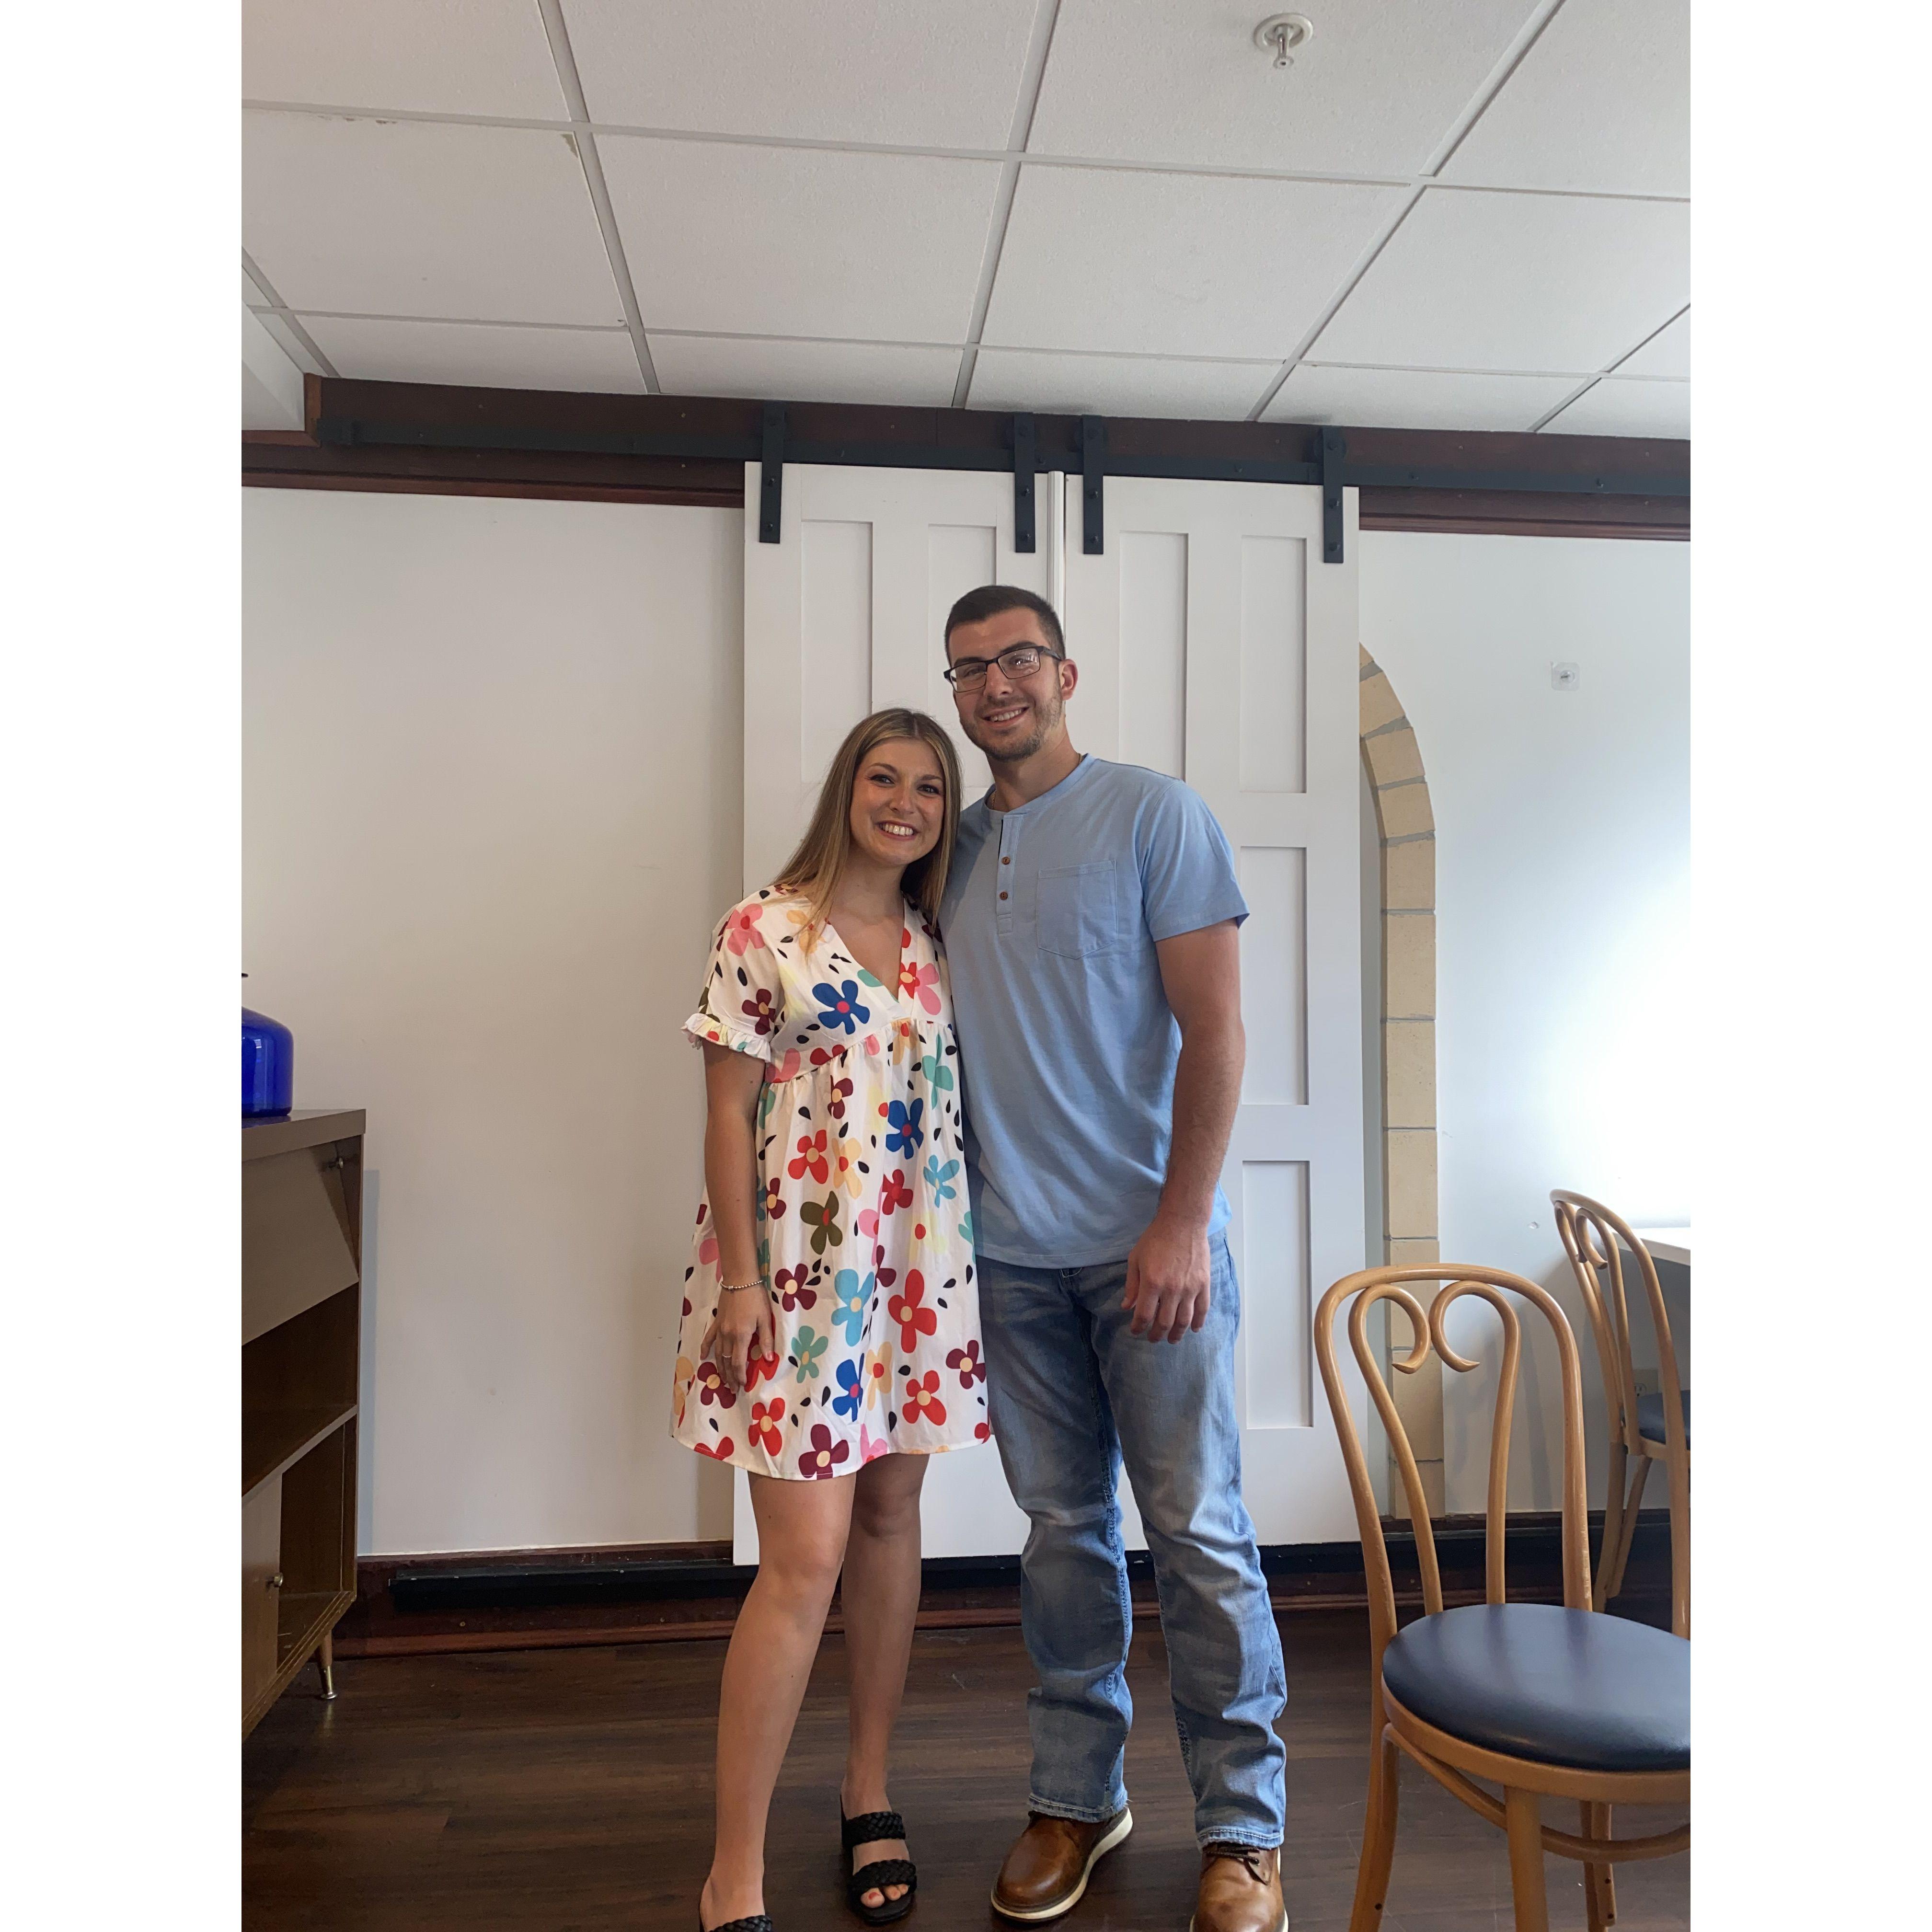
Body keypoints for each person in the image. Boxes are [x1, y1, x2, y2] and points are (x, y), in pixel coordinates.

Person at [937, 587, 1289, 1932]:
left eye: (1018, 658)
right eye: (970, 669)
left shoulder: (1155, 815)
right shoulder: (950, 848)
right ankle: (1077, 1801)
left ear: (1065, 672)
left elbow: (1218, 1029)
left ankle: (1244, 1833)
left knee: (1199, 1535)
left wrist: (1183, 1221)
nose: (996, 685)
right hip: (1011, 1263)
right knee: (1063, 1537)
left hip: (1154, 1258)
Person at [671, 708, 987, 1932]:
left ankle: (869, 1789)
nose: (905, 803)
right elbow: (725, 1116)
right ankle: (734, 1871)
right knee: (803, 1562)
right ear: (847, 791)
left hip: (915, 1276)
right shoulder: (764, 930)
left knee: (894, 1521)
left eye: (929, 787)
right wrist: (742, 1283)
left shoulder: (939, 943)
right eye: (883, 778)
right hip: (797, 1281)